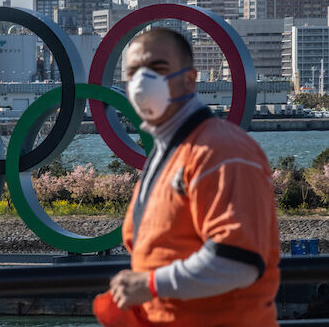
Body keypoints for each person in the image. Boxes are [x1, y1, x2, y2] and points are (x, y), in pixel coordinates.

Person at [93, 28, 280, 326]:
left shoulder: (220, 150)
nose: (143, 81)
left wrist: (150, 285)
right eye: (133, 72)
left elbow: (237, 261)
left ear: (190, 79)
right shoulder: (170, 152)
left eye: (158, 68)